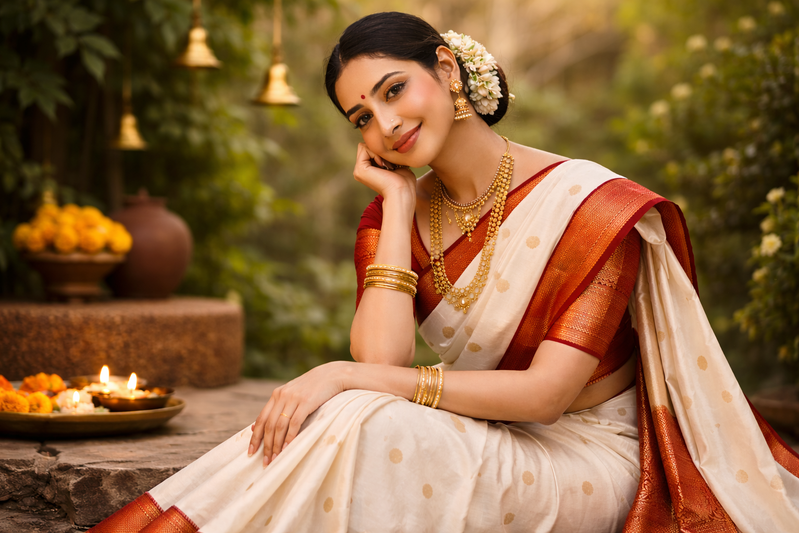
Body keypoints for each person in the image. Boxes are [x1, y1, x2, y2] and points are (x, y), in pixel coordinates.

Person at [89, 12, 799, 533]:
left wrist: (340, 375)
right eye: (361, 116)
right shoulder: (391, 218)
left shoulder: (589, 207)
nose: (386, 124)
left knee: (353, 407)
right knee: (354, 408)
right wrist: (398, 203)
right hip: (489, 435)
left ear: (448, 70)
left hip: (589, 456)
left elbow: (547, 396)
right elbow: (385, 355)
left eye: (395, 90)